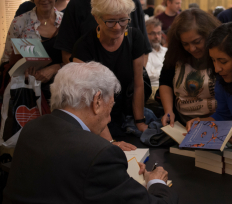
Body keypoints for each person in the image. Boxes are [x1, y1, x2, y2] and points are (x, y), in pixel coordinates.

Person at [2, 62, 178, 204]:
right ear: (97, 101)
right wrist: (156, 182)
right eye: (111, 107)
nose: (109, 119)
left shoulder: (32, 129)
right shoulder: (99, 153)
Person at [72, 0, 146, 147]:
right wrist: (109, 141)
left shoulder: (134, 38)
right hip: (94, 122)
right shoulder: (84, 47)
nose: (118, 27)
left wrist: (140, 121)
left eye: (123, 20)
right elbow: (85, 100)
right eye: (111, 21)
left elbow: (138, 83)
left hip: (124, 118)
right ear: (96, 17)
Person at [1, 0, 64, 100]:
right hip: (26, 93)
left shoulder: (66, 22)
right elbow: (6, 61)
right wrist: (20, 71)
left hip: (61, 90)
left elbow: (75, 59)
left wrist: (54, 68)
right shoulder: (19, 23)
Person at [159, 9, 219, 126]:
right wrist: (168, 111)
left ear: (208, 35)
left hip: (215, 122)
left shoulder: (219, 53)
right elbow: (165, 81)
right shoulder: (175, 52)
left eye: (197, 42)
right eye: (185, 44)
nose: (191, 49)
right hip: (181, 122)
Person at [145, 18, 167, 93]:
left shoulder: (167, 51)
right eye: (152, 33)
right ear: (145, 34)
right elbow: (149, 75)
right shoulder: (143, 54)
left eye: (159, 33)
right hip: (151, 90)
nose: (157, 37)